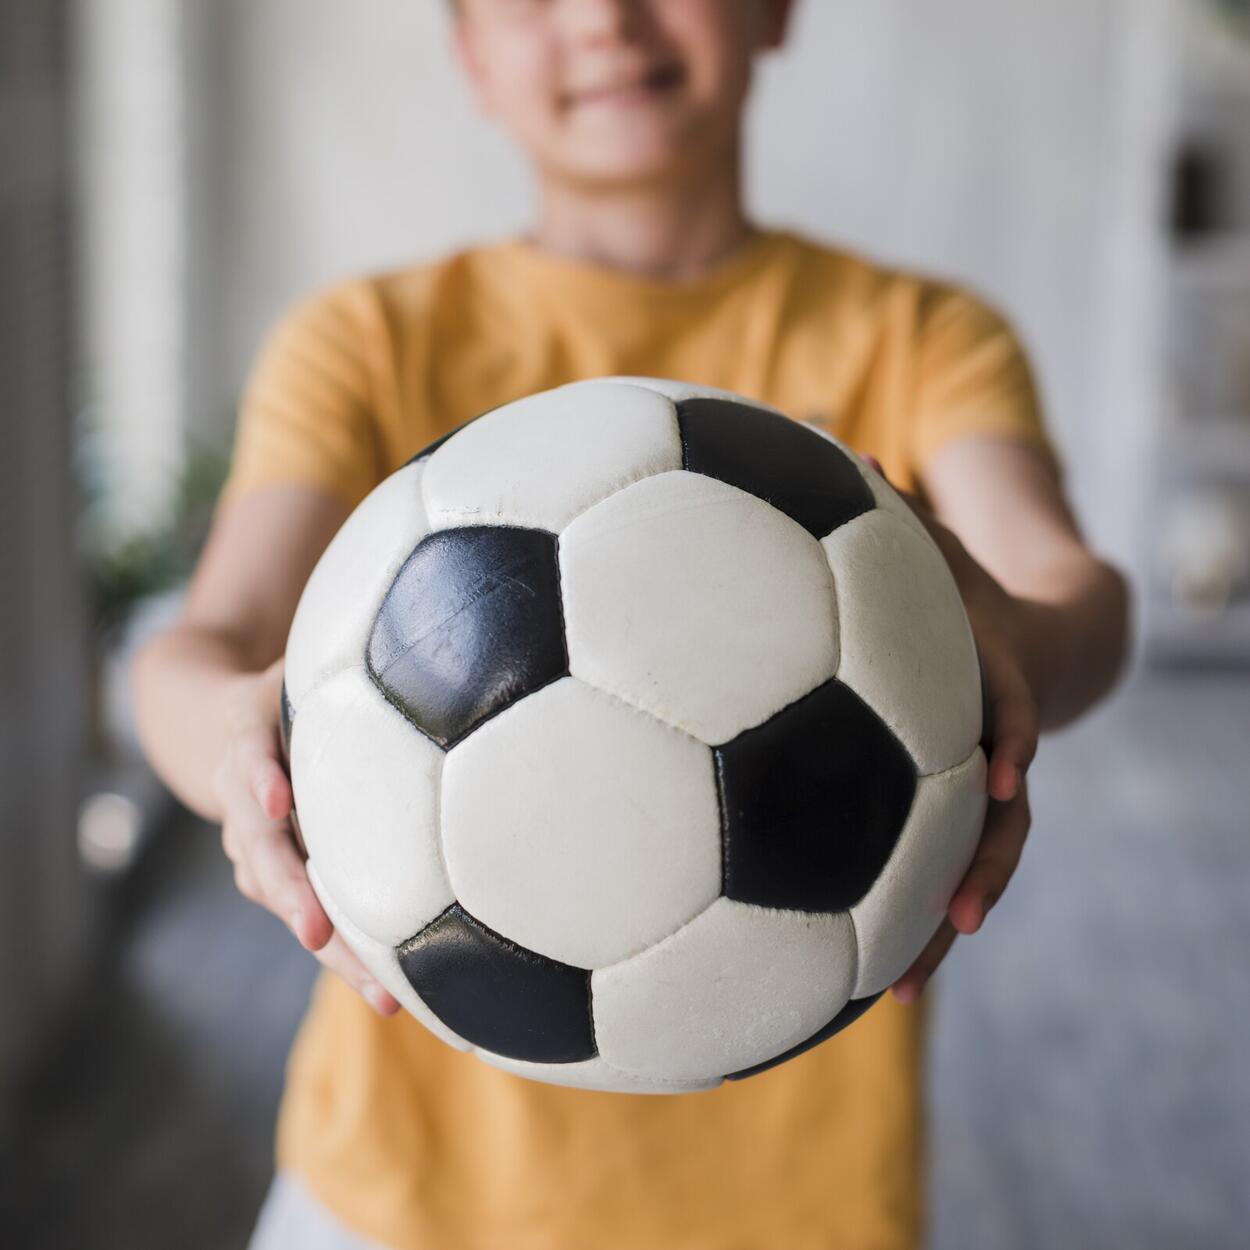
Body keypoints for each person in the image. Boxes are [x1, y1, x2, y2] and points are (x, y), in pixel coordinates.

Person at [131, 1, 1131, 1247]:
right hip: (394, 1195)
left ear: (771, 12)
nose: (605, 18)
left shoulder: (917, 337)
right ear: (469, 53)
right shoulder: (367, 341)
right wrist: (226, 741)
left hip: (790, 1211)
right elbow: (198, 648)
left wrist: (1018, 649)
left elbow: (1078, 594)